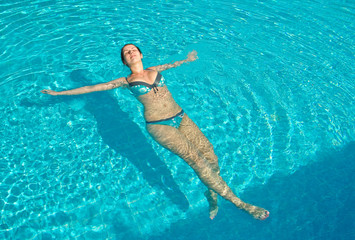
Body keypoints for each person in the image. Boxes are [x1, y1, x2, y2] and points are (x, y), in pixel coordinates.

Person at [41, 44, 269, 220]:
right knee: (197, 161)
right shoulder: (125, 81)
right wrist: (58, 94)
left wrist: (187, 60)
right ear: (124, 60)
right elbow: (91, 88)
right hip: (159, 125)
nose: (130, 52)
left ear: (141, 55)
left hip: (181, 116)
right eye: (126, 52)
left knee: (211, 155)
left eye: (133, 50)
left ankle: (211, 192)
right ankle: (241, 204)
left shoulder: (155, 69)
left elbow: (173, 65)